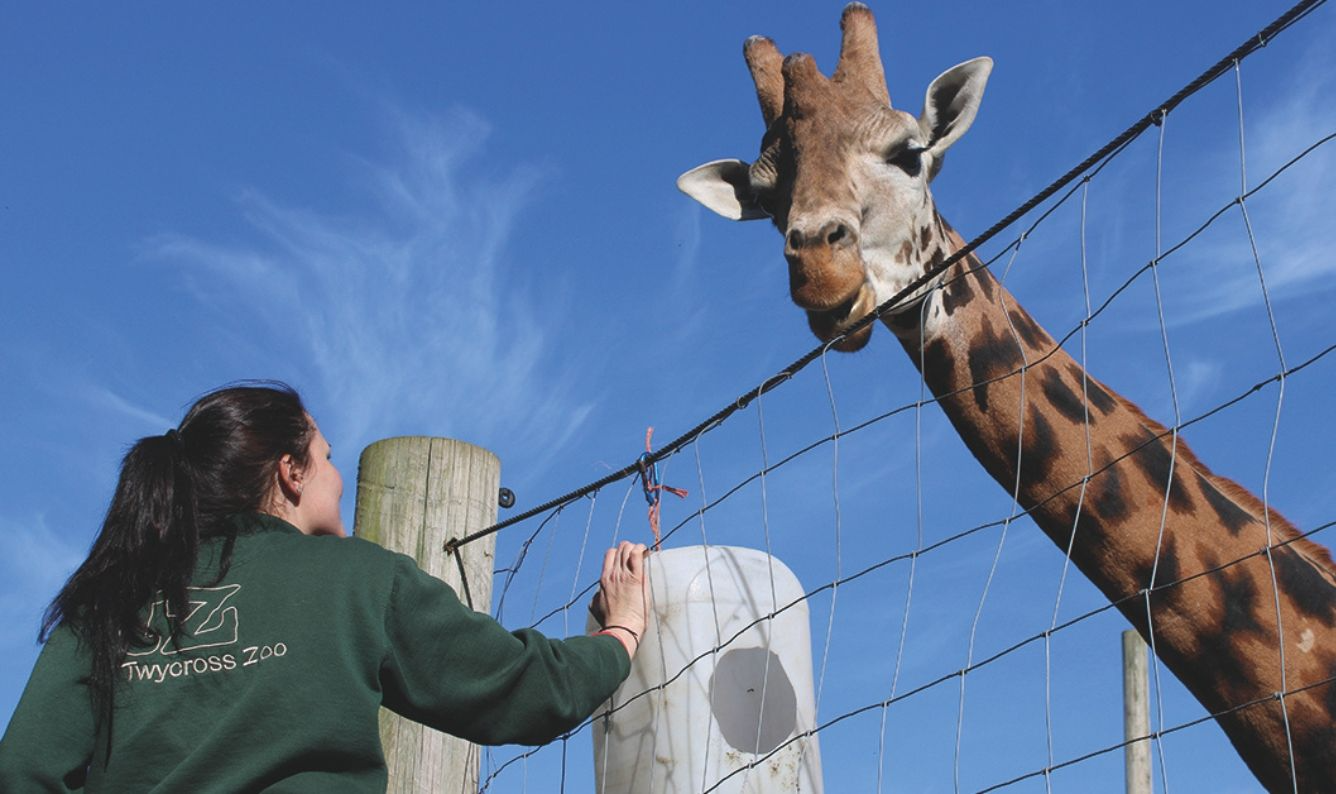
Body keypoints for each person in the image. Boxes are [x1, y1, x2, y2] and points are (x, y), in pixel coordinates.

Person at [0, 382, 649, 791]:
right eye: (329, 457)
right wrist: (618, 636)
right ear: (290, 472)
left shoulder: (103, 608)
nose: (339, 477)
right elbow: (522, 689)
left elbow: (23, 771)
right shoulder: (358, 580)